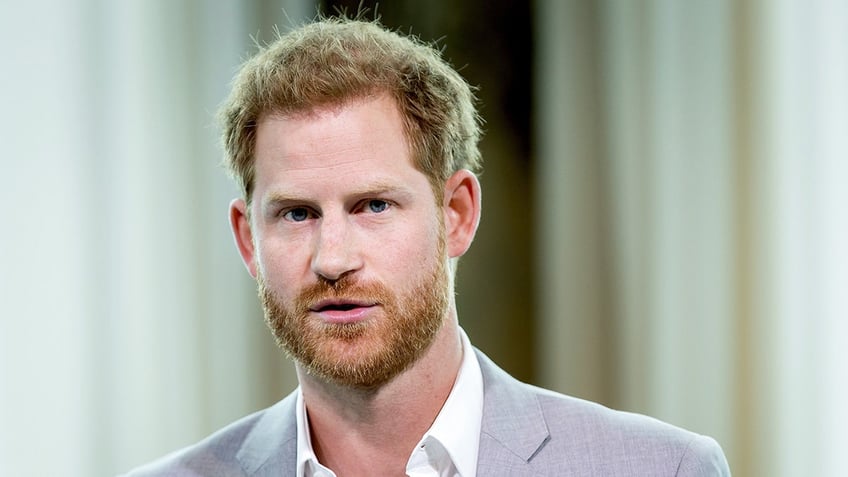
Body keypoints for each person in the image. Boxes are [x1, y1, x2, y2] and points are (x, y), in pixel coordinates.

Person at [125, 17, 730, 477]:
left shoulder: (660, 469)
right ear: (247, 239)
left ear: (458, 214)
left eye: (374, 206)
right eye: (297, 213)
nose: (332, 258)